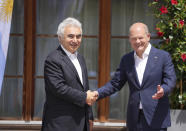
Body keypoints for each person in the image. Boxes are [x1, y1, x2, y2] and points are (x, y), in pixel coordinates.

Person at [93, 23, 176, 131]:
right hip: (135, 119)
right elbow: (115, 84)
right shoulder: (127, 59)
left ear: (148, 37)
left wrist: (163, 90)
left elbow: (170, 80)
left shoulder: (163, 56)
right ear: (129, 40)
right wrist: (97, 93)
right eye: (134, 39)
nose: (137, 41)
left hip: (156, 117)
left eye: (140, 38)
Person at [41, 17, 97, 131]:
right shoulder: (53, 59)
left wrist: (89, 116)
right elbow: (59, 88)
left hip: (81, 124)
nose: (75, 40)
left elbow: (85, 88)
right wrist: (85, 97)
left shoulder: (81, 58)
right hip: (60, 125)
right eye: (70, 36)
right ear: (60, 38)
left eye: (78, 36)